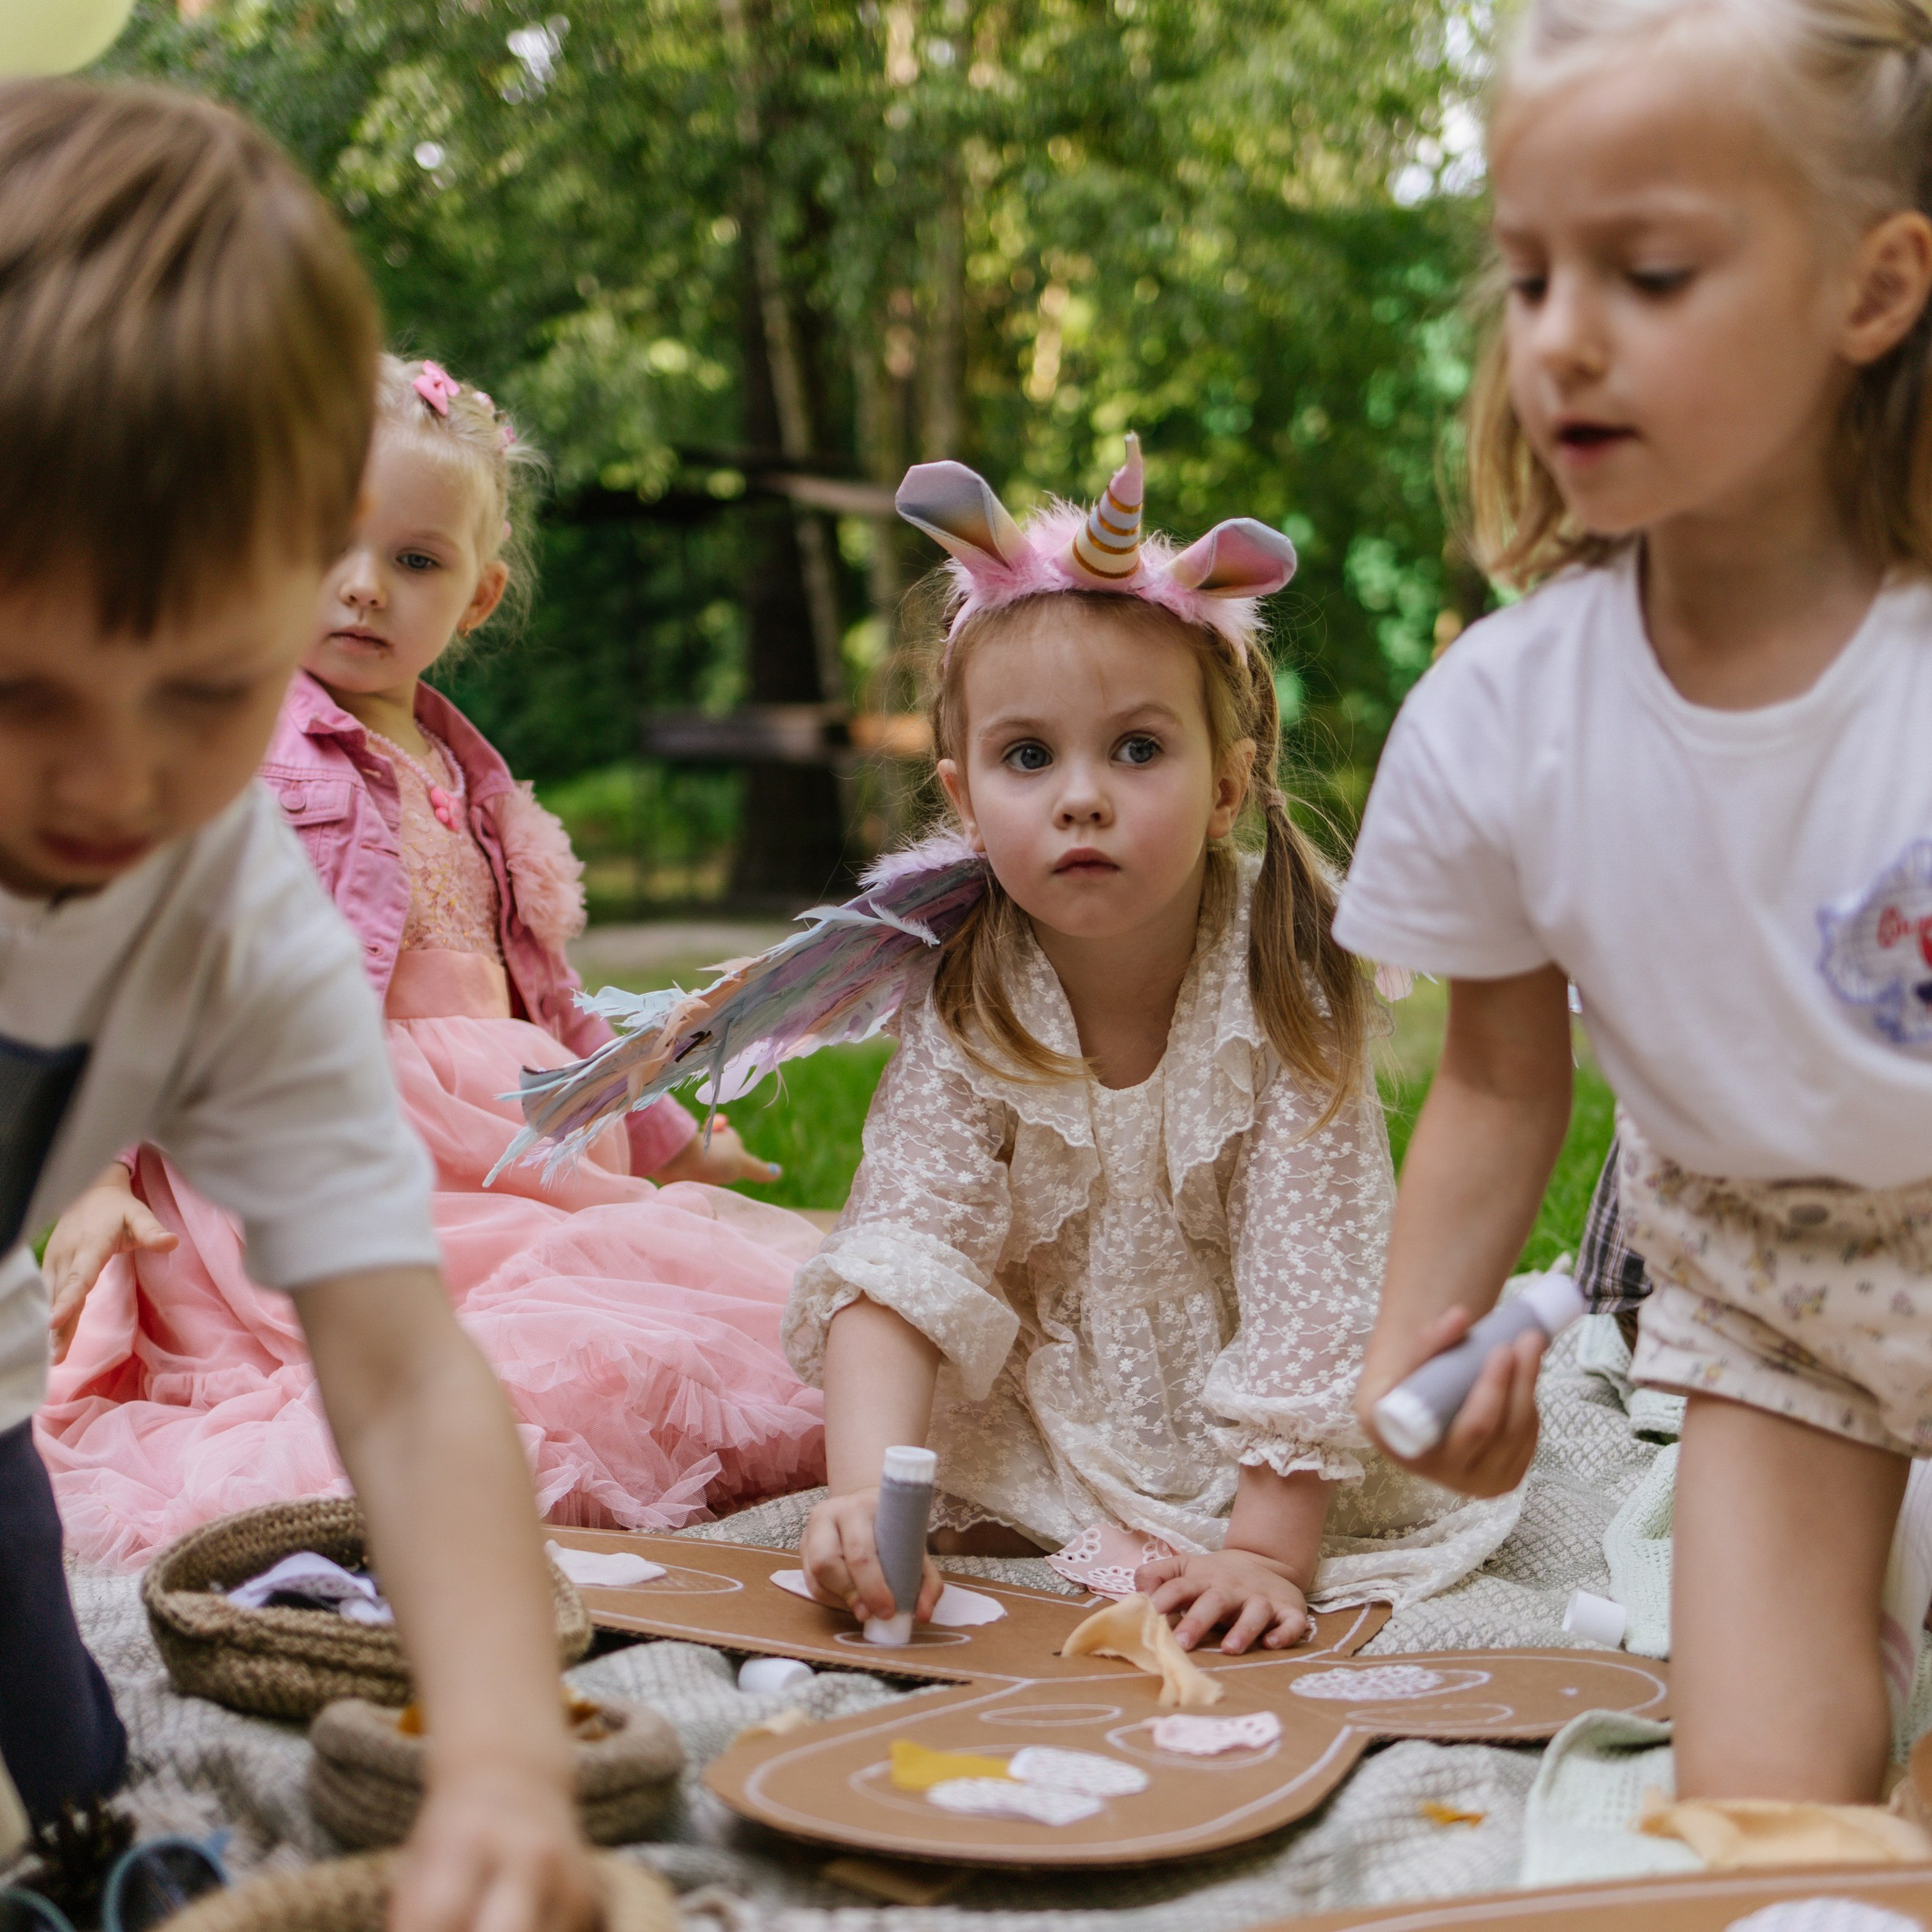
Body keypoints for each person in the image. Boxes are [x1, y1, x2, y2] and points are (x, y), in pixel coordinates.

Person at [0, 81, 598, 1929]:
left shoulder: (234, 900)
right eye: (23, 694)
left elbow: (403, 1374)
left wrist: (498, 1754)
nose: (109, 783)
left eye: (200, 694)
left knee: (65, 1781)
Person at [1336, 0, 1932, 1807]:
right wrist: (1415, 1339)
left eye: (1649, 274)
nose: (1560, 338)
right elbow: (1498, 1075)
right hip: (1764, 1291)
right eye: (1527, 278)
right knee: (1757, 1804)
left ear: (1871, 289)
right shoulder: (1500, 720)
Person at [38, 355, 829, 1566]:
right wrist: (96, 1175)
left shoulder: (470, 771)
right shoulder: (238, 749)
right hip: (320, 1152)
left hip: (499, 1140)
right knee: (492, 1338)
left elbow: (550, 1001)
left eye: (414, 561)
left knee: (660, 1297)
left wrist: (669, 1138)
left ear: (476, 596)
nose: (363, 587)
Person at [788, 441, 1517, 1654]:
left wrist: (1266, 1553)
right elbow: (905, 1251)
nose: (1082, 797)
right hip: (1058, 1403)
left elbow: (1314, 1278)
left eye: (1137, 749)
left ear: (1227, 787)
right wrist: (866, 1495)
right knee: (952, 1478)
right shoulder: (973, 990)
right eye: (1029, 757)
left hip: (1273, 1443)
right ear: (964, 801)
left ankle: (1257, 1526)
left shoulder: (1281, 982)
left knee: (1313, 1504)